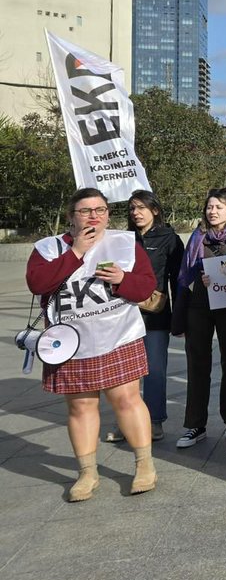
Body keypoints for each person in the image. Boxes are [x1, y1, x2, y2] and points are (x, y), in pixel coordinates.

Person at [26, 188, 160, 500]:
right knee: (81, 406)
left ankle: (144, 466)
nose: (94, 216)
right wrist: (76, 254)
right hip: (69, 342)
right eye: (86, 211)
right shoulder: (48, 248)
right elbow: (38, 283)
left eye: (100, 210)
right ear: (71, 216)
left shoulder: (124, 242)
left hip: (118, 334)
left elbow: (146, 287)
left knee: (126, 399)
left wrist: (122, 279)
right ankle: (87, 473)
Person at [173, 188, 226, 448]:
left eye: (218, 207)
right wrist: (200, 278)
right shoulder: (198, 237)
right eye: (209, 207)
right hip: (200, 304)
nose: (212, 211)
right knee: (197, 364)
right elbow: (185, 275)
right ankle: (195, 425)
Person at [118, 190, 183, 443]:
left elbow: (179, 280)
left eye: (141, 207)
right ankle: (127, 423)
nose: (136, 213)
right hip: (123, 314)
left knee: (154, 370)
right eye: (132, 208)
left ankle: (154, 421)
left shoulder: (170, 238)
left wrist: (179, 317)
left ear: (155, 210)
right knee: (125, 372)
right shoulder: (123, 239)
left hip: (156, 314)